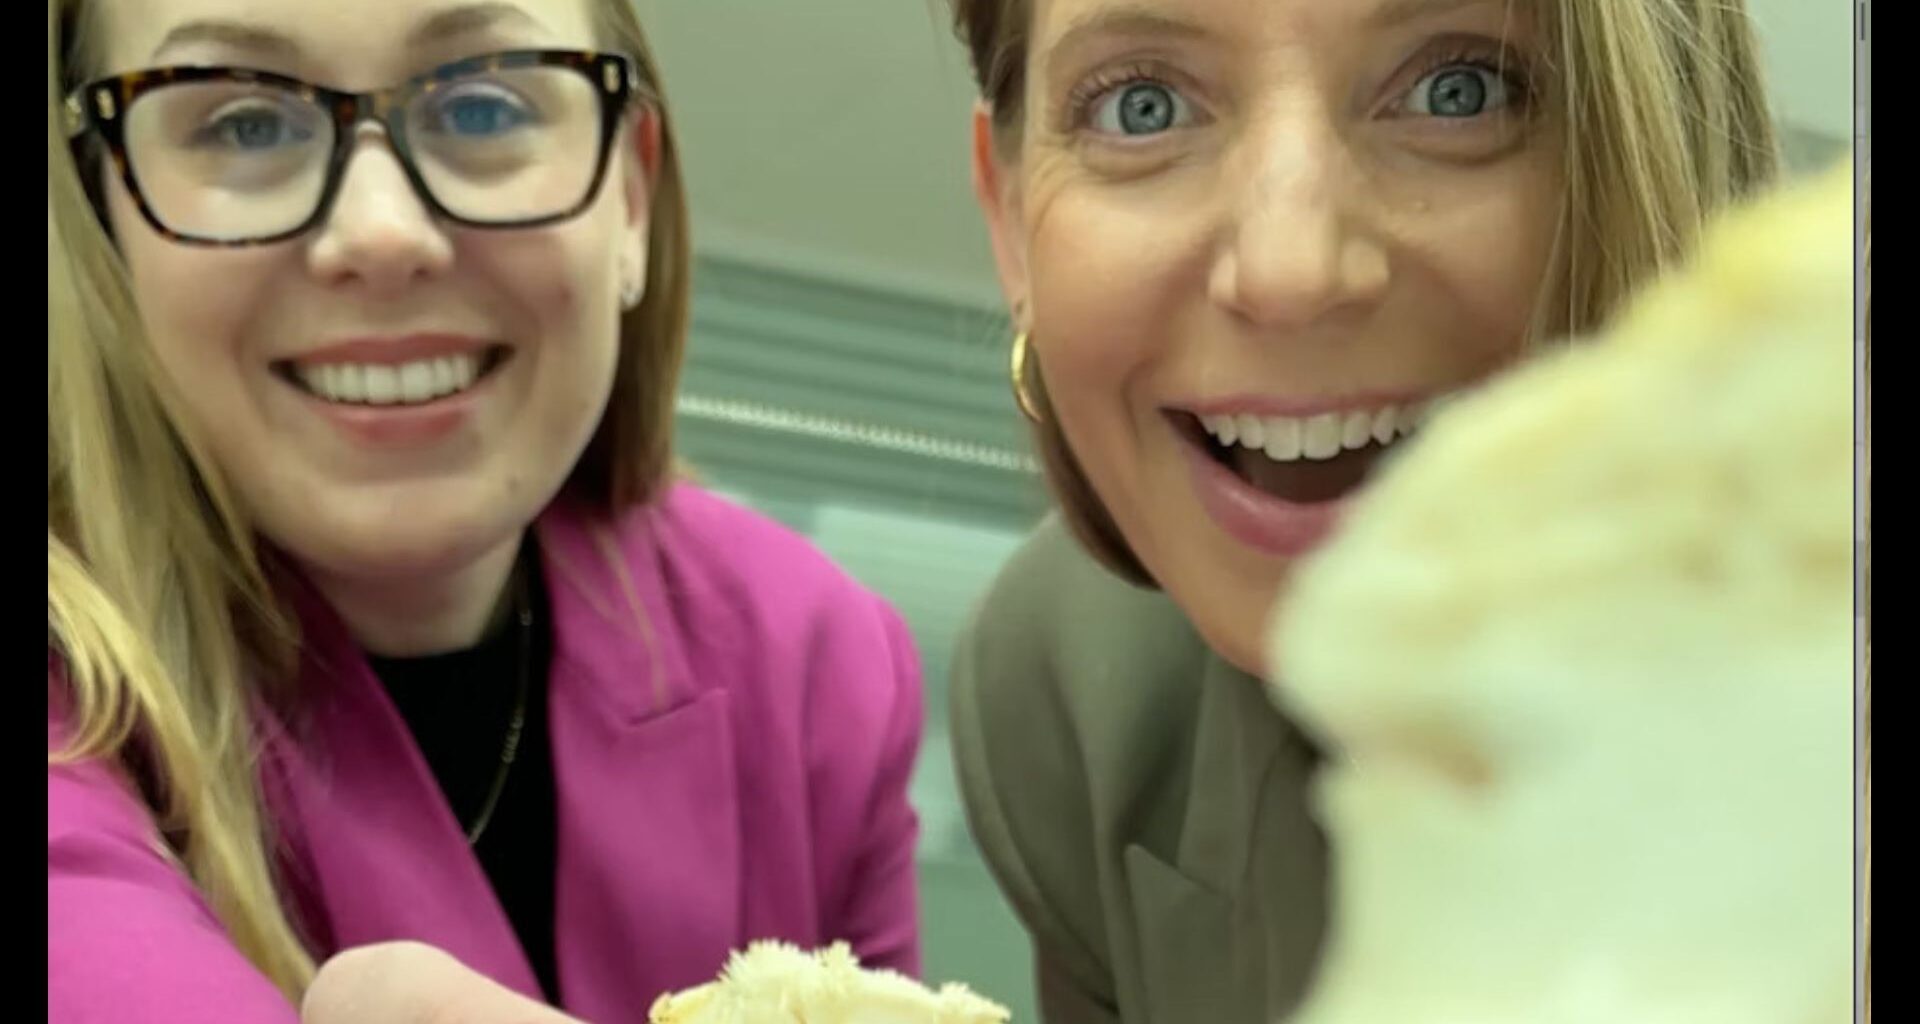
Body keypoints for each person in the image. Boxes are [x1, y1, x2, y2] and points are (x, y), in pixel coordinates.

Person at [47, 1, 925, 1020]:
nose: (381, 233)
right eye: (243, 125)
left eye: (481, 108)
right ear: (102, 220)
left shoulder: (812, 660)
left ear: (630, 199)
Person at [941, 0, 1780, 1019]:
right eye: (1142, 105)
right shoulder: (1069, 689)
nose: (1291, 273)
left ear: (1673, 144)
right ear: (1010, 221)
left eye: (1458, 91)